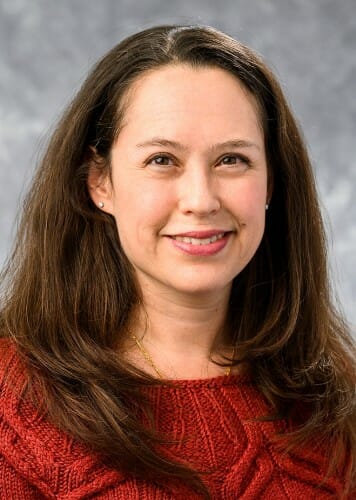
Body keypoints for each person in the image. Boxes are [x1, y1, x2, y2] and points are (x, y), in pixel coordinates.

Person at [0, 24, 355, 499]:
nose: (201, 200)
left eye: (232, 160)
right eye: (162, 160)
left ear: (271, 181)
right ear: (99, 182)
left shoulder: (338, 401)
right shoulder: (12, 405)